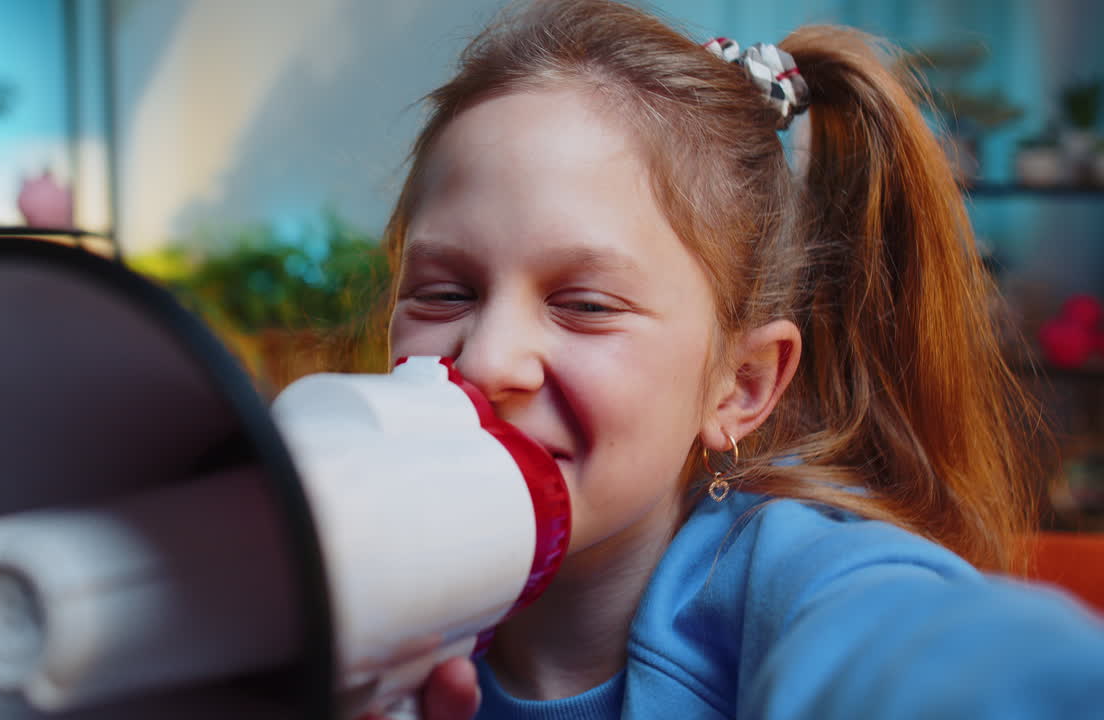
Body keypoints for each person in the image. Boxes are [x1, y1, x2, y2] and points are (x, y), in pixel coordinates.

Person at [364, 0, 1104, 717]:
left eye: (585, 305)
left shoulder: (795, 578)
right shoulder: (364, 585)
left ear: (741, 385)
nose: (489, 362)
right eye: (444, 293)